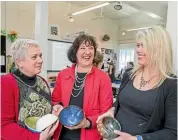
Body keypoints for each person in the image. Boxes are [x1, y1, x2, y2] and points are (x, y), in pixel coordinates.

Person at [97, 26, 177, 140]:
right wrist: (111, 111)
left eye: (144, 46)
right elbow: (119, 103)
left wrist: (136, 139)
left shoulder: (171, 84)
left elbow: (173, 132)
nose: (138, 50)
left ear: (159, 49)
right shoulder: (129, 74)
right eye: (138, 45)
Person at [52, 34, 113, 140]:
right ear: (75, 52)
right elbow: (55, 101)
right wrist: (57, 107)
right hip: (62, 134)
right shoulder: (63, 75)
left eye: (91, 48)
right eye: (83, 48)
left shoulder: (103, 78)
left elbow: (106, 113)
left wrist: (87, 123)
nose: (88, 52)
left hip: (90, 135)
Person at [1, 39, 59, 140]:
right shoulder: (6, 83)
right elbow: (4, 126)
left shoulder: (42, 82)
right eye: (34, 57)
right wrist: (37, 138)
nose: (40, 60)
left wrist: (54, 108)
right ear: (19, 62)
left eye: (40, 56)